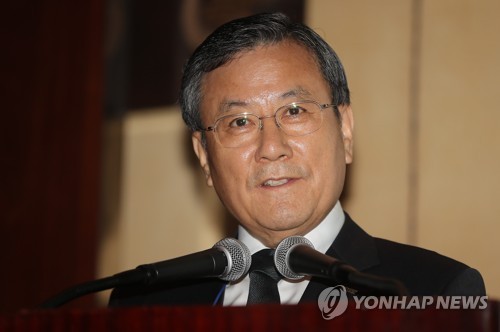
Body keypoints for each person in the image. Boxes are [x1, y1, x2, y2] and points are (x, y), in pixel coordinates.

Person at [109, 12, 485, 307]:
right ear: (204, 156)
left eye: (294, 111)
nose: (271, 147)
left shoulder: (429, 291)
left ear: (346, 130)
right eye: (239, 122)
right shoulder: (144, 300)